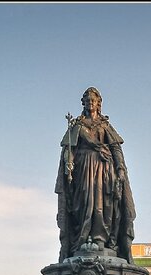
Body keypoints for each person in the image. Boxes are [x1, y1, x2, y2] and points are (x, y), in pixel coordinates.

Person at [55, 87, 136, 263]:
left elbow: (115, 148)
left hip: (103, 169)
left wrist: (120, 168)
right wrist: (69, 163)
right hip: (83, 169)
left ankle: (100, 238)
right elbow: (69, 149)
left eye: (93, 100)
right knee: (83, 203)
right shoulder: (77, 125)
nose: (90, 103)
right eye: (88, 100)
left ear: (98, 103)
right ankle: (82, 240)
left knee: (103, 205)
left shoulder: (104, 125)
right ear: (83, 103)